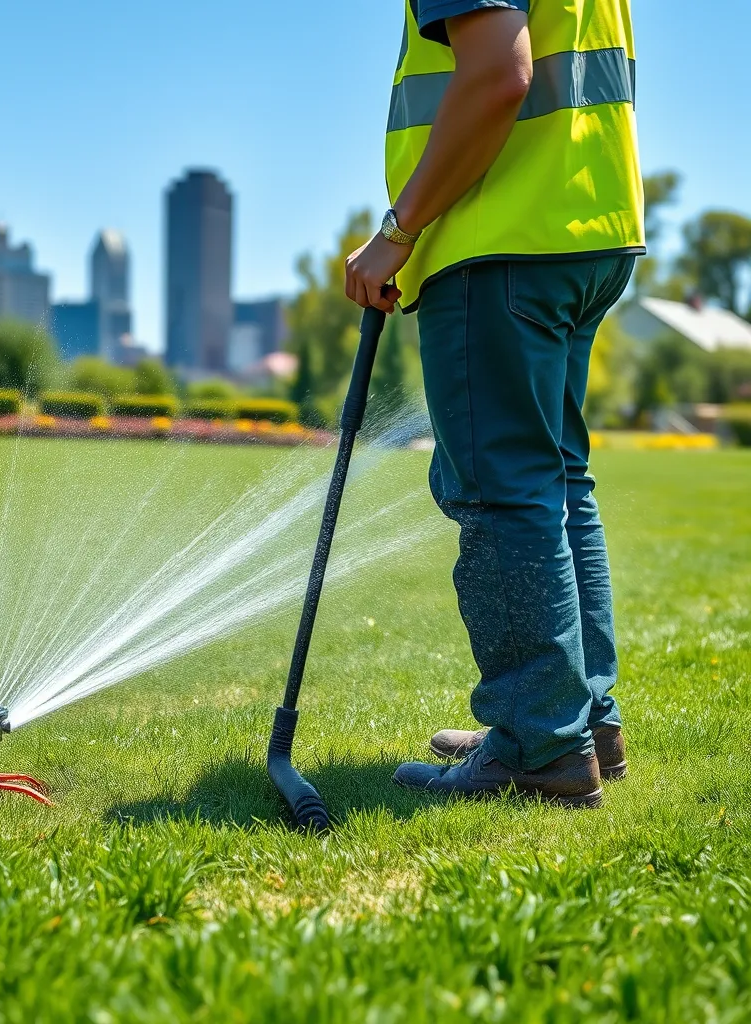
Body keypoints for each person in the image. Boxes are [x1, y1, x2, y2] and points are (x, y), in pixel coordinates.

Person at [345, 0, 645, 808]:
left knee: (503, 489)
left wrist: (398, 229)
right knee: (554, 483)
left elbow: (495, 77)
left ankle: (540, 744)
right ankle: (584, 722)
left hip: (501, 237)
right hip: (585, 227)